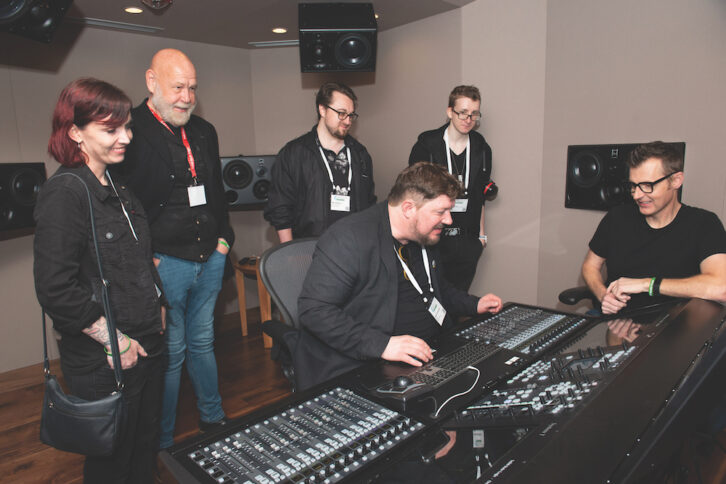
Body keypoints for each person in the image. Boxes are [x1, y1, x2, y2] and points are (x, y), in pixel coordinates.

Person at [34, 78, 166, 483]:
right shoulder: (66, 193)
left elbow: (138, 261)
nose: (125, 137)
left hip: (146, 343)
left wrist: (158, 305)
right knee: (112, 461)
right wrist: (115, 340)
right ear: (75, 132)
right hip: (105, 357)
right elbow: (55, 287)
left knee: (144, 448)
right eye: (111, 130)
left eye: (126, 126)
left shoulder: (118, 186)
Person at [113, 49, 234, 449]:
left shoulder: (205, 131)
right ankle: (160, 442)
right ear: (152, 82)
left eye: (193, 88)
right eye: (177, 87)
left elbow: (215, 190)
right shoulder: (128, 129)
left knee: (203, 342)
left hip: (208, 259)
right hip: (164, 263)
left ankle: (213, 419)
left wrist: (223, 241)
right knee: (171, 352)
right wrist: (143, 259)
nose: (186, 97)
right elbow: (119, 202)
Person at [293, 162, 503, 390]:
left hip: (427, 352)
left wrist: (475, 304)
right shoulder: (348, 239)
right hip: (364, 362)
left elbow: (435, 289)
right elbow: (314, 311)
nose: (449, 220)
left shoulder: (422, 235)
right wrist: (383, 345)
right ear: (408, 209)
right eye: (441, 211)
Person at [582, 141, 726, 314]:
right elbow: (590, 266)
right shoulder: (617, 218)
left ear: (676, 180)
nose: (637, 195)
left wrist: (646, 284)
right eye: (633, 186)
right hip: (618, 322)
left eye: (647, 185)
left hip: (674, 329)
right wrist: (603, 295)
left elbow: (721, 288)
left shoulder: (704, 224)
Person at [264, 82, 376, 242]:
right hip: (308, 249)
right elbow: (280, 208)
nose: (347, 121)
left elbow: (369, 206)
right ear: (322, 109)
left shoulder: (360, 154)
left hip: (353, 249)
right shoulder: (294, 153)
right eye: (341, 113)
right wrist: (289, 254)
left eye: (351, 115)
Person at [408, 85, 494, 291]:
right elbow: (412, 192)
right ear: (449, 112)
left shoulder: (482, 148)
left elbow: (481, 195)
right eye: (462, 113)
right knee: (433, 299)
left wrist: (481, 237)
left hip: (467, 240)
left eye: (474, 114)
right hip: (434, 237)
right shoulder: (427, 144)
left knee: (459, 300)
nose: (468, 119)